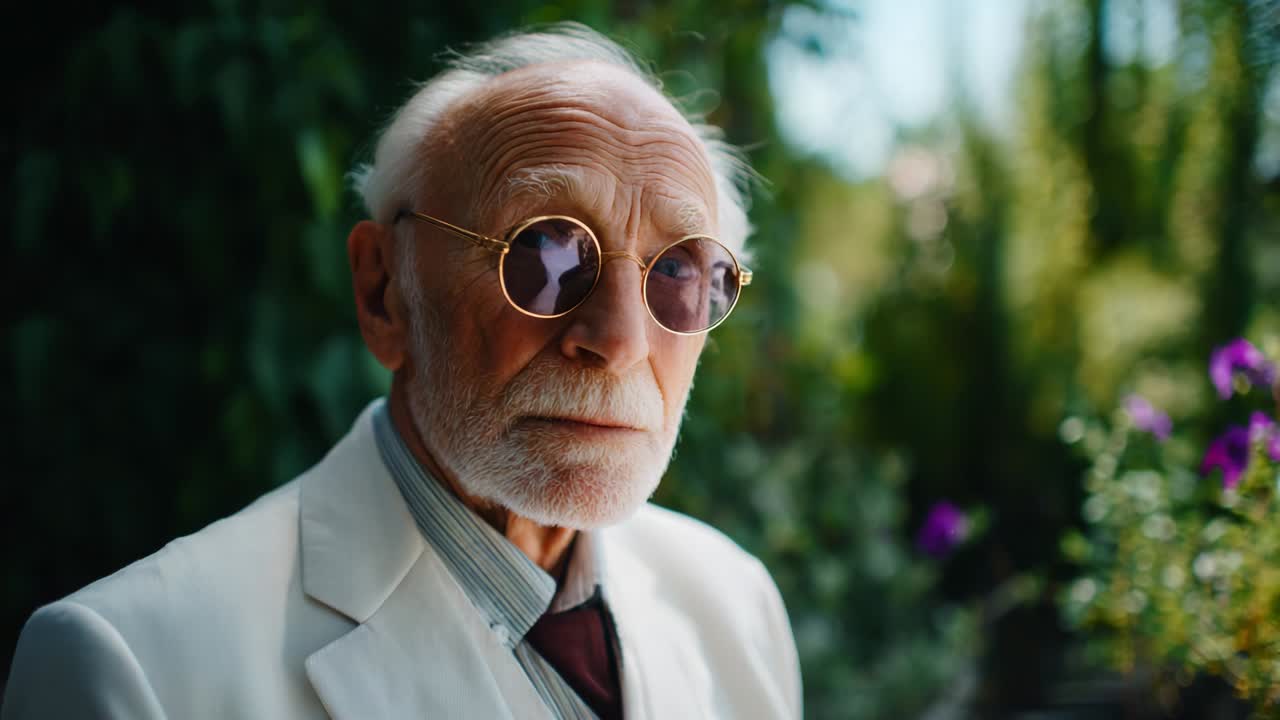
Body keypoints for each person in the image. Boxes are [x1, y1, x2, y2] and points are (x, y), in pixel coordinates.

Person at [2, 22, 801, 719]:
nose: (620, 340)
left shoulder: (736, 605)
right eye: (545, 252)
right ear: (385, 290)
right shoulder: (135, 668)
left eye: (679, 272)